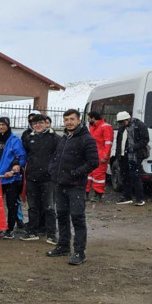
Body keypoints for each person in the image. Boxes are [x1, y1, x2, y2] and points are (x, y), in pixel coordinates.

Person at [47, 109, 99, 265]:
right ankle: (63, 246)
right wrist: (52, 168)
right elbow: (56, 157)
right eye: (66, 120)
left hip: (76, 186)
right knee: (61, 216)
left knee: (77, 218)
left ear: (79, 120)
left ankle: (79, 252)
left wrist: (75, 173)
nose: (68, 122)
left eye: (71, 119)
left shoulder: (87, 139)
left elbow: (93, 162)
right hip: (60, 184)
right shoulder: (64, 138)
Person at [20, 115, 61, 244]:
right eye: (35, 123)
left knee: (49, 207)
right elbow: (24, 154)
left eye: (40, 123)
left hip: (48, 179)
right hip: (32, 178)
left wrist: (53, 171)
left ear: (46, 123)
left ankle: (51, 234)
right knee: (33, 207)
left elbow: (59, 157)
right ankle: (32, 232)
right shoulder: (28, 138)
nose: (37, 125)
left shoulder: (55, 138)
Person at [0, 117, 26, 239]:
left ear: (8, 125)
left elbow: (21, 158)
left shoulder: (15, 141)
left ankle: (10, 228)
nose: (1, 127)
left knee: (12, 205)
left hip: (10, 179)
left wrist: (12, 171)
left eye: (3, 124)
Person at [115, 111, 149, 206]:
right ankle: (127, 197)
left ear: (128, 119)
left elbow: (145, 140)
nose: (122, 124)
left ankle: (139, 198)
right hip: (123, 155)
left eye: (123, 122)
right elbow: (119, 142)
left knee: (135, 176)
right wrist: (118, 154)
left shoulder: (139, 125)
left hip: (135, 155)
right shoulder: (122, 128)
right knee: (125, 177)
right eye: (120, 122)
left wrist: (134, 147)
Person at [86, 111, 114, 202]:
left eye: (88, 118)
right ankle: (86, 193)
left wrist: (105, 156)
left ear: (93, 118)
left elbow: (108, 143)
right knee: (89, 174)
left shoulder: (105, 127)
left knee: (98, 175)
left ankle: (98, 194)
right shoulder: (93, 127)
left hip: (100, 155)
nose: (88, 120)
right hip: (92, 154)